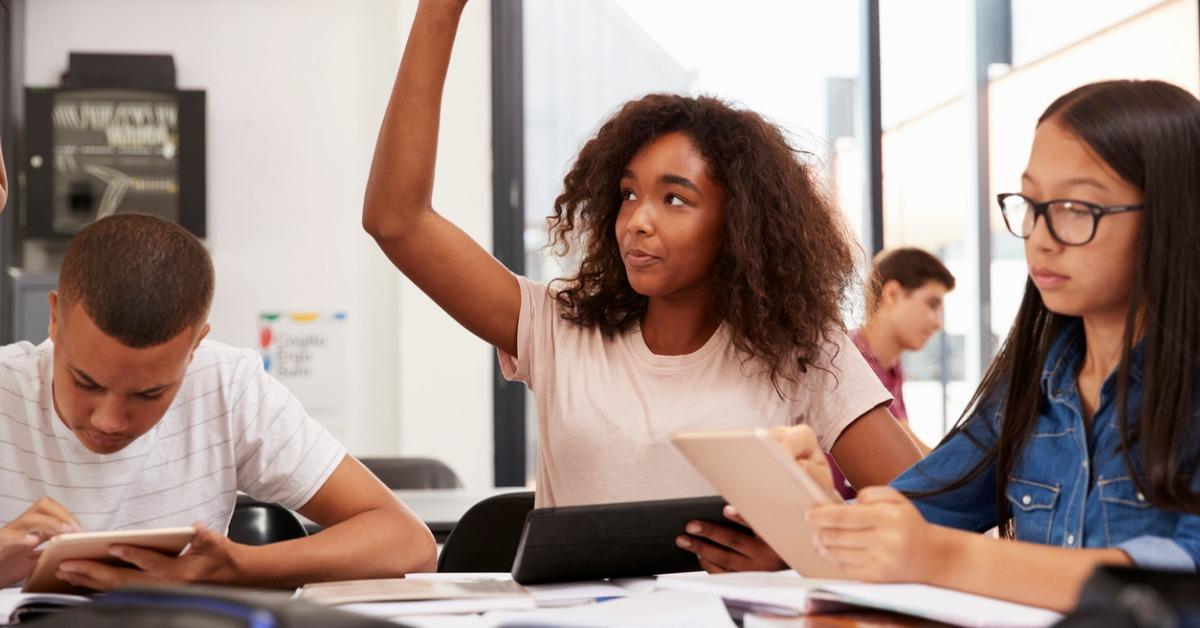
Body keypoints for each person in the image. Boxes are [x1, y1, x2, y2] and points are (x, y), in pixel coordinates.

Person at [363, 0, 921, 574]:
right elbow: (397, 221)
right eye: (630, 194)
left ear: (740, 225)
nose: (638, 220)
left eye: (674, 198)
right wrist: (440, 10)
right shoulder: (558, 328)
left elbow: (928, 516)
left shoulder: (802, 348)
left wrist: (801, 550)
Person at [774, 79, 1200, 610]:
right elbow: (915, 514)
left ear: (1174, 216)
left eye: (1075, 206)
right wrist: (815, 509)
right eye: (1032, 202)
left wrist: (944, 557)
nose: (1040, 236)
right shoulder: (1028, 388)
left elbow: (1184, 582)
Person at [0, 214, 436, 591]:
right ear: (54, 318)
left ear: (195, 346)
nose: (110, 420)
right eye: (85, 382)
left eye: (150, 393)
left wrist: (238, 566)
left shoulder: (225, 384)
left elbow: (409, 545)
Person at [828, 248, 955, 498]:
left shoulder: (891, 367)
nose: (938, 322)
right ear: (892, 294)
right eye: (932, 304)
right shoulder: (851, 360)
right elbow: (915, 467)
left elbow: (912, 450)